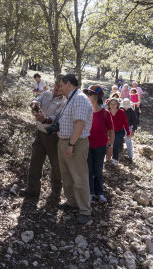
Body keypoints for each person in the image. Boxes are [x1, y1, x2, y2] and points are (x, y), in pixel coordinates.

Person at [20, 76, 67, 199]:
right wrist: (34, 103)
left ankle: (56, 192)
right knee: (35, 161)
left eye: (60, 85)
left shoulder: (65, 101)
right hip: (39, 134)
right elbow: (35, 100)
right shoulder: (46, 93)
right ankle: (32, 189)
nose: (57, 86)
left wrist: (45, 119)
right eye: (57, 83)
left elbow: (57, 117)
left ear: (65, 87)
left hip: (54, 137)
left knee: (56, 165)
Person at [57, 74, 93, 224]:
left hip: (75, 143)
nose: (59, 87)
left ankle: (85, 210)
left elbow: (80, 124)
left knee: (79, 177)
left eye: (61, 84)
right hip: (64, 141)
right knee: (67, 175)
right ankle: (71, 202)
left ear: (69, 84)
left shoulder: (79, 98)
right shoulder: (69, 99)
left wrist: (71, 144)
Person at [83, 85, 114, 203]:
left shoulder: (105, 113)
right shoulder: (85, 110)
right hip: (86, 145)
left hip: (101, 146)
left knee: (98, 170)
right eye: (88, 94)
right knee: (89, 171)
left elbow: (111, 131)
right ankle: (90, 193)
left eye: (90, 94)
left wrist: (110, 147)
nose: (88, 96)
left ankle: (100, 193)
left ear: (96, 97)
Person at [107, 98, 130, 167]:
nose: (113, 105)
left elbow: (125, 122)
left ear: (117, 105)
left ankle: (115, 160)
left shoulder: (121, 112)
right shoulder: (107, 112)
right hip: (109, 132)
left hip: (119, 132)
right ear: (109, 104)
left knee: (116, 144)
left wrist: (128, 132)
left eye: (114, 104)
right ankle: (108, 158)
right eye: (111, 104)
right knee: (108, 145)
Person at [121, 98, 138, 163]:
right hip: (120, 127)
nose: (125, 108)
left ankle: (130, 156)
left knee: (128, 141)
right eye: (124, 106)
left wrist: (133, 131)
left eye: (127, 106)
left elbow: (135, 122)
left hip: (129, 127)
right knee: (117, 140)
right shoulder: (121, 110)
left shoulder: (132, 112)